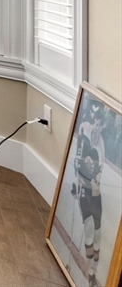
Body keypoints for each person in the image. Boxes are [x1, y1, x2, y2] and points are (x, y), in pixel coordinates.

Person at [72, 100, 106, 287]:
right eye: (93, 119)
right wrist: (80, 184)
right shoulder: (84, 131)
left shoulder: (100, 143)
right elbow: (77, 163)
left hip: (95, 192)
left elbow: (100, 168)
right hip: (84, 189)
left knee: (98, 234)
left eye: (99, 123)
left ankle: (94, 269)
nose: (96, 125)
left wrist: (97, 180)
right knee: (89, 228)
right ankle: (90, 272)